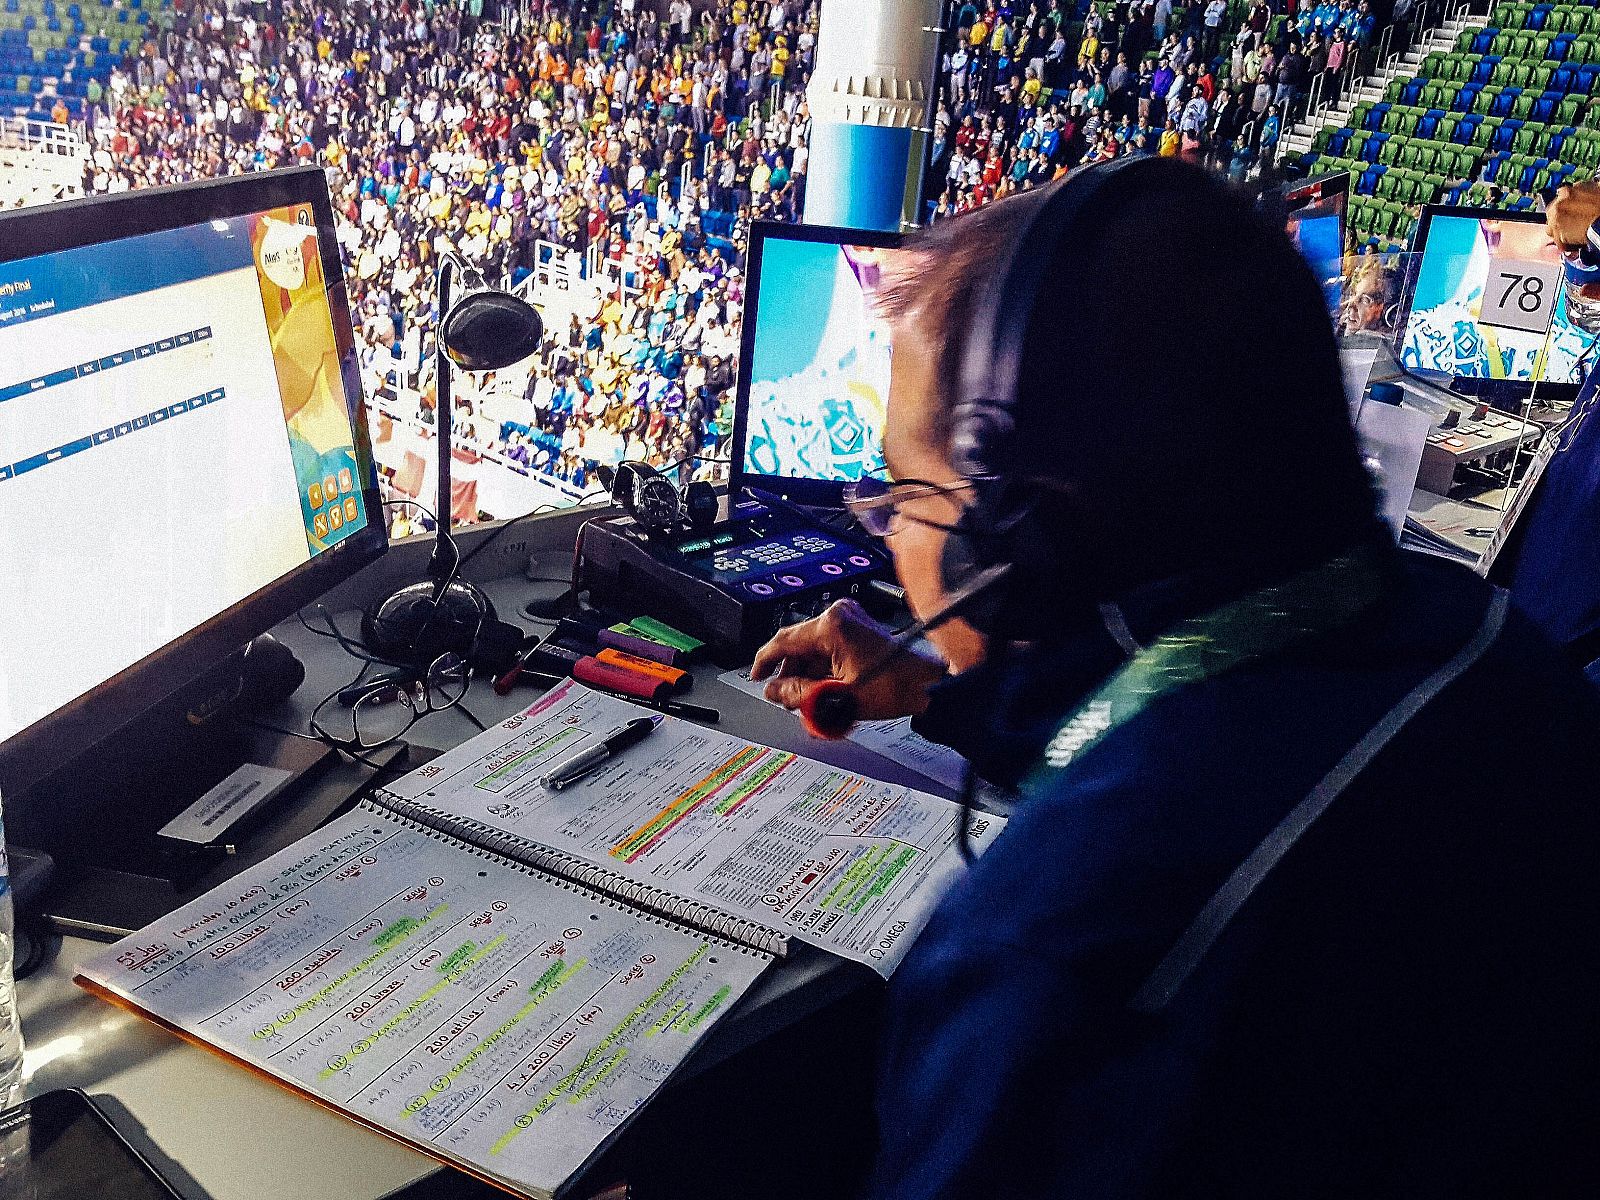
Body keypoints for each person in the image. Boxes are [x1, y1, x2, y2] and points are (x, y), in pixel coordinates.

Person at [748, 158, 1600, 1197]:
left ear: (1017, 542)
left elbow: (1178, 830)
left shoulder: (1054, 955)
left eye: (903, 495)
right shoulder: (1469, 637)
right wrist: (942, 691)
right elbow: (1229, 723)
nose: (890, 538)